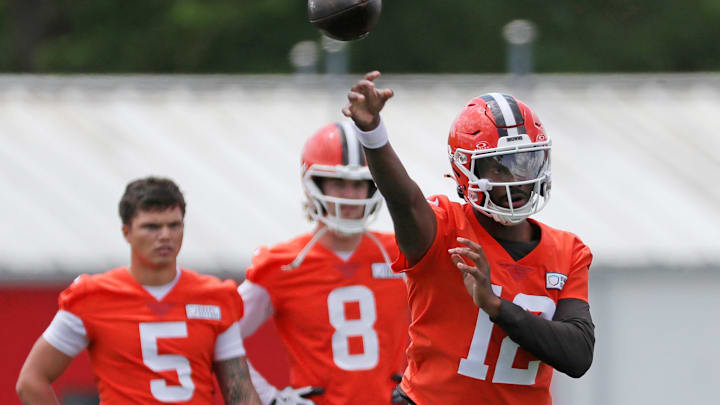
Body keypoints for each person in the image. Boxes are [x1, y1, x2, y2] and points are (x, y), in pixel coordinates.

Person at [341, 71, 595, 405]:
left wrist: (496, 306)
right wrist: (372, 133)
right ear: (466, 170)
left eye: (526, 161)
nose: (517, 179)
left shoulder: (567, 251)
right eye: (499, 166)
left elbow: (577, 355)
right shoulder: (444, 228)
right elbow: (403, 200)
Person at [16, 177, 262, 405]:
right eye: (152, 227)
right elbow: (31, 381)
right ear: (127, 232)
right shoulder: (93, 297)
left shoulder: (214, 297)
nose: (165, 235)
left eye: (174, 225)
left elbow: (241, 394)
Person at [238, 122, 410, 405]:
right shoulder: (282, 264)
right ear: (313, 184)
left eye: (359, 184)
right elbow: (220, 335)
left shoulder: (399, 252)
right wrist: (271, 398)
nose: (350, 197)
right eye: (338, 183)